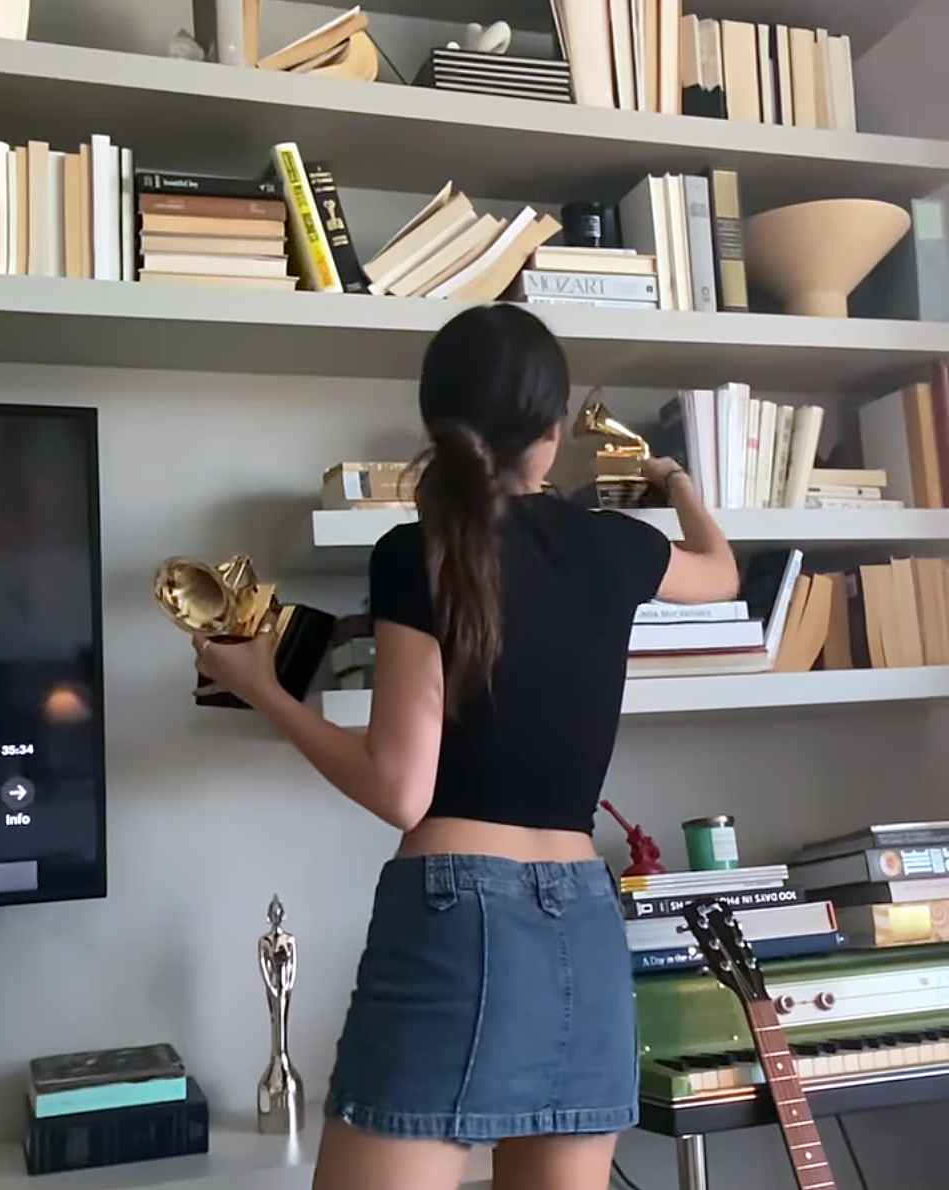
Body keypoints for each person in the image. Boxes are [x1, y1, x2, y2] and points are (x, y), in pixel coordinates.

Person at [195, 305, 738, 1190]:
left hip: (458, 916)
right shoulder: (619, 545)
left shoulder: (419, 551)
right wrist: (675, 484)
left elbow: (401, 790)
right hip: (586, 925)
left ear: (437, 423)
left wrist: (262, 689)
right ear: (553, 435)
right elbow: (721, 569)